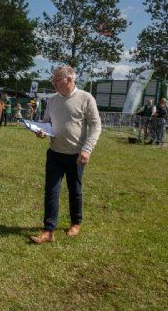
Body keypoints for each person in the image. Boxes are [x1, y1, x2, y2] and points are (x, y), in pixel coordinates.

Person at [31, 66, 101, 244]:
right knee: (51, 191)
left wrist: (87, 149)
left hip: (76, 155)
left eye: (56, 80)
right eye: (53, 80)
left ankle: (76, 222)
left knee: (74, 190)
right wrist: (42, 131)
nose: (53, 83)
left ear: (69, 80)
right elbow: (47, 122)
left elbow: (95, 126)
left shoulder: (86, 98)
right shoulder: (52, 100)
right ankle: (48, 230)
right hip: (55, 153)